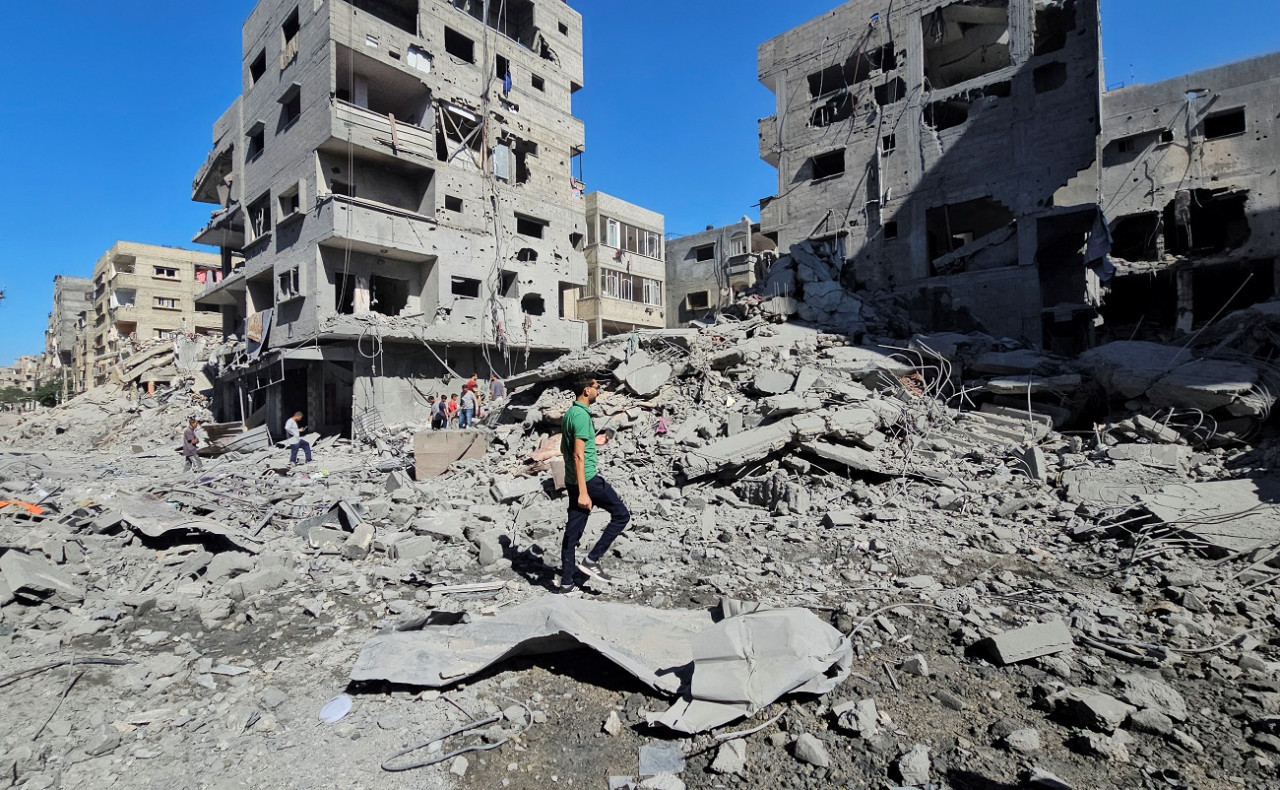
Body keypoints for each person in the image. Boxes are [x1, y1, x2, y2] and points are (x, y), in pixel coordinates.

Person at [559, 376, 630, 596]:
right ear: (586, 390)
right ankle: (591, 560)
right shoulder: (581, 417)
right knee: (621, 515)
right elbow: (578, 455)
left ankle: (566, 583)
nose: (599, 391)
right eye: (597, 387)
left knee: (573, 531)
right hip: (588, 480)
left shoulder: (571, 413)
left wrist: (597, 441)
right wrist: (583, 492)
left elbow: (571, 447)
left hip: (573, 479)